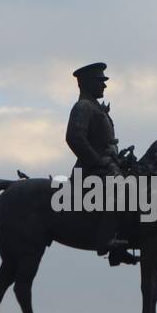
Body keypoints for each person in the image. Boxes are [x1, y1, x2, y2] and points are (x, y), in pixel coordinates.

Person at [65, 63, 136, 266]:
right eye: (100, 82)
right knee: (120, 188)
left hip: (107, 167)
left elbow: (105, 144)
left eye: (104, 82)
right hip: (90, 171)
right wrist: (98, 162)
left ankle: (119, 246)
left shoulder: (96, 108)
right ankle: (105, 241)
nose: (104, 86)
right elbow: (74, 138)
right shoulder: (83, 107)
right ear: (86, 83)